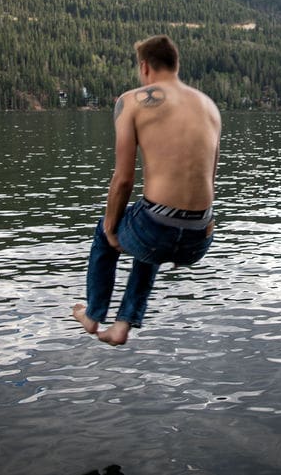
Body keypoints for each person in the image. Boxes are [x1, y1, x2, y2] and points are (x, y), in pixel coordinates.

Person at [73, 35, 221, 345]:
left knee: (109, 228)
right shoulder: (209, 106)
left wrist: (112, 228)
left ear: (144, 67)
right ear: (175, 65)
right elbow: (211, 177)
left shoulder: (132, 101)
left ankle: (94, 314)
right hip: (200, 237)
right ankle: (123, 324)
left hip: (157, 232)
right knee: (150, 223)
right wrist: (198, 229)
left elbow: (123, 180)